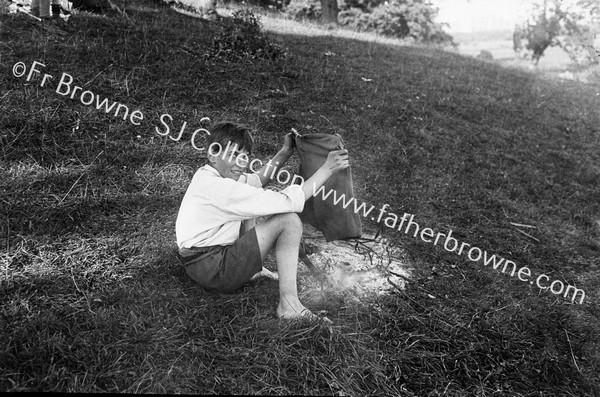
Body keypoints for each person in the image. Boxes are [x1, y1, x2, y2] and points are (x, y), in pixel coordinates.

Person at [175, 121, 349, 321]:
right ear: (212, 154)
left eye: (244, 157)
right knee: (289, 221)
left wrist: (285, 152)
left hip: (202, 264)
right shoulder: (220, 189)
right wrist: (327, 169)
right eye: (233, 155)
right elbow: (287, 202)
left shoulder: (209, 175)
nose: (241, 163)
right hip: (214, 270)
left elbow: (256, 181)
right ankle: (289, 305)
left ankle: (254, 271)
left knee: (251, 196)